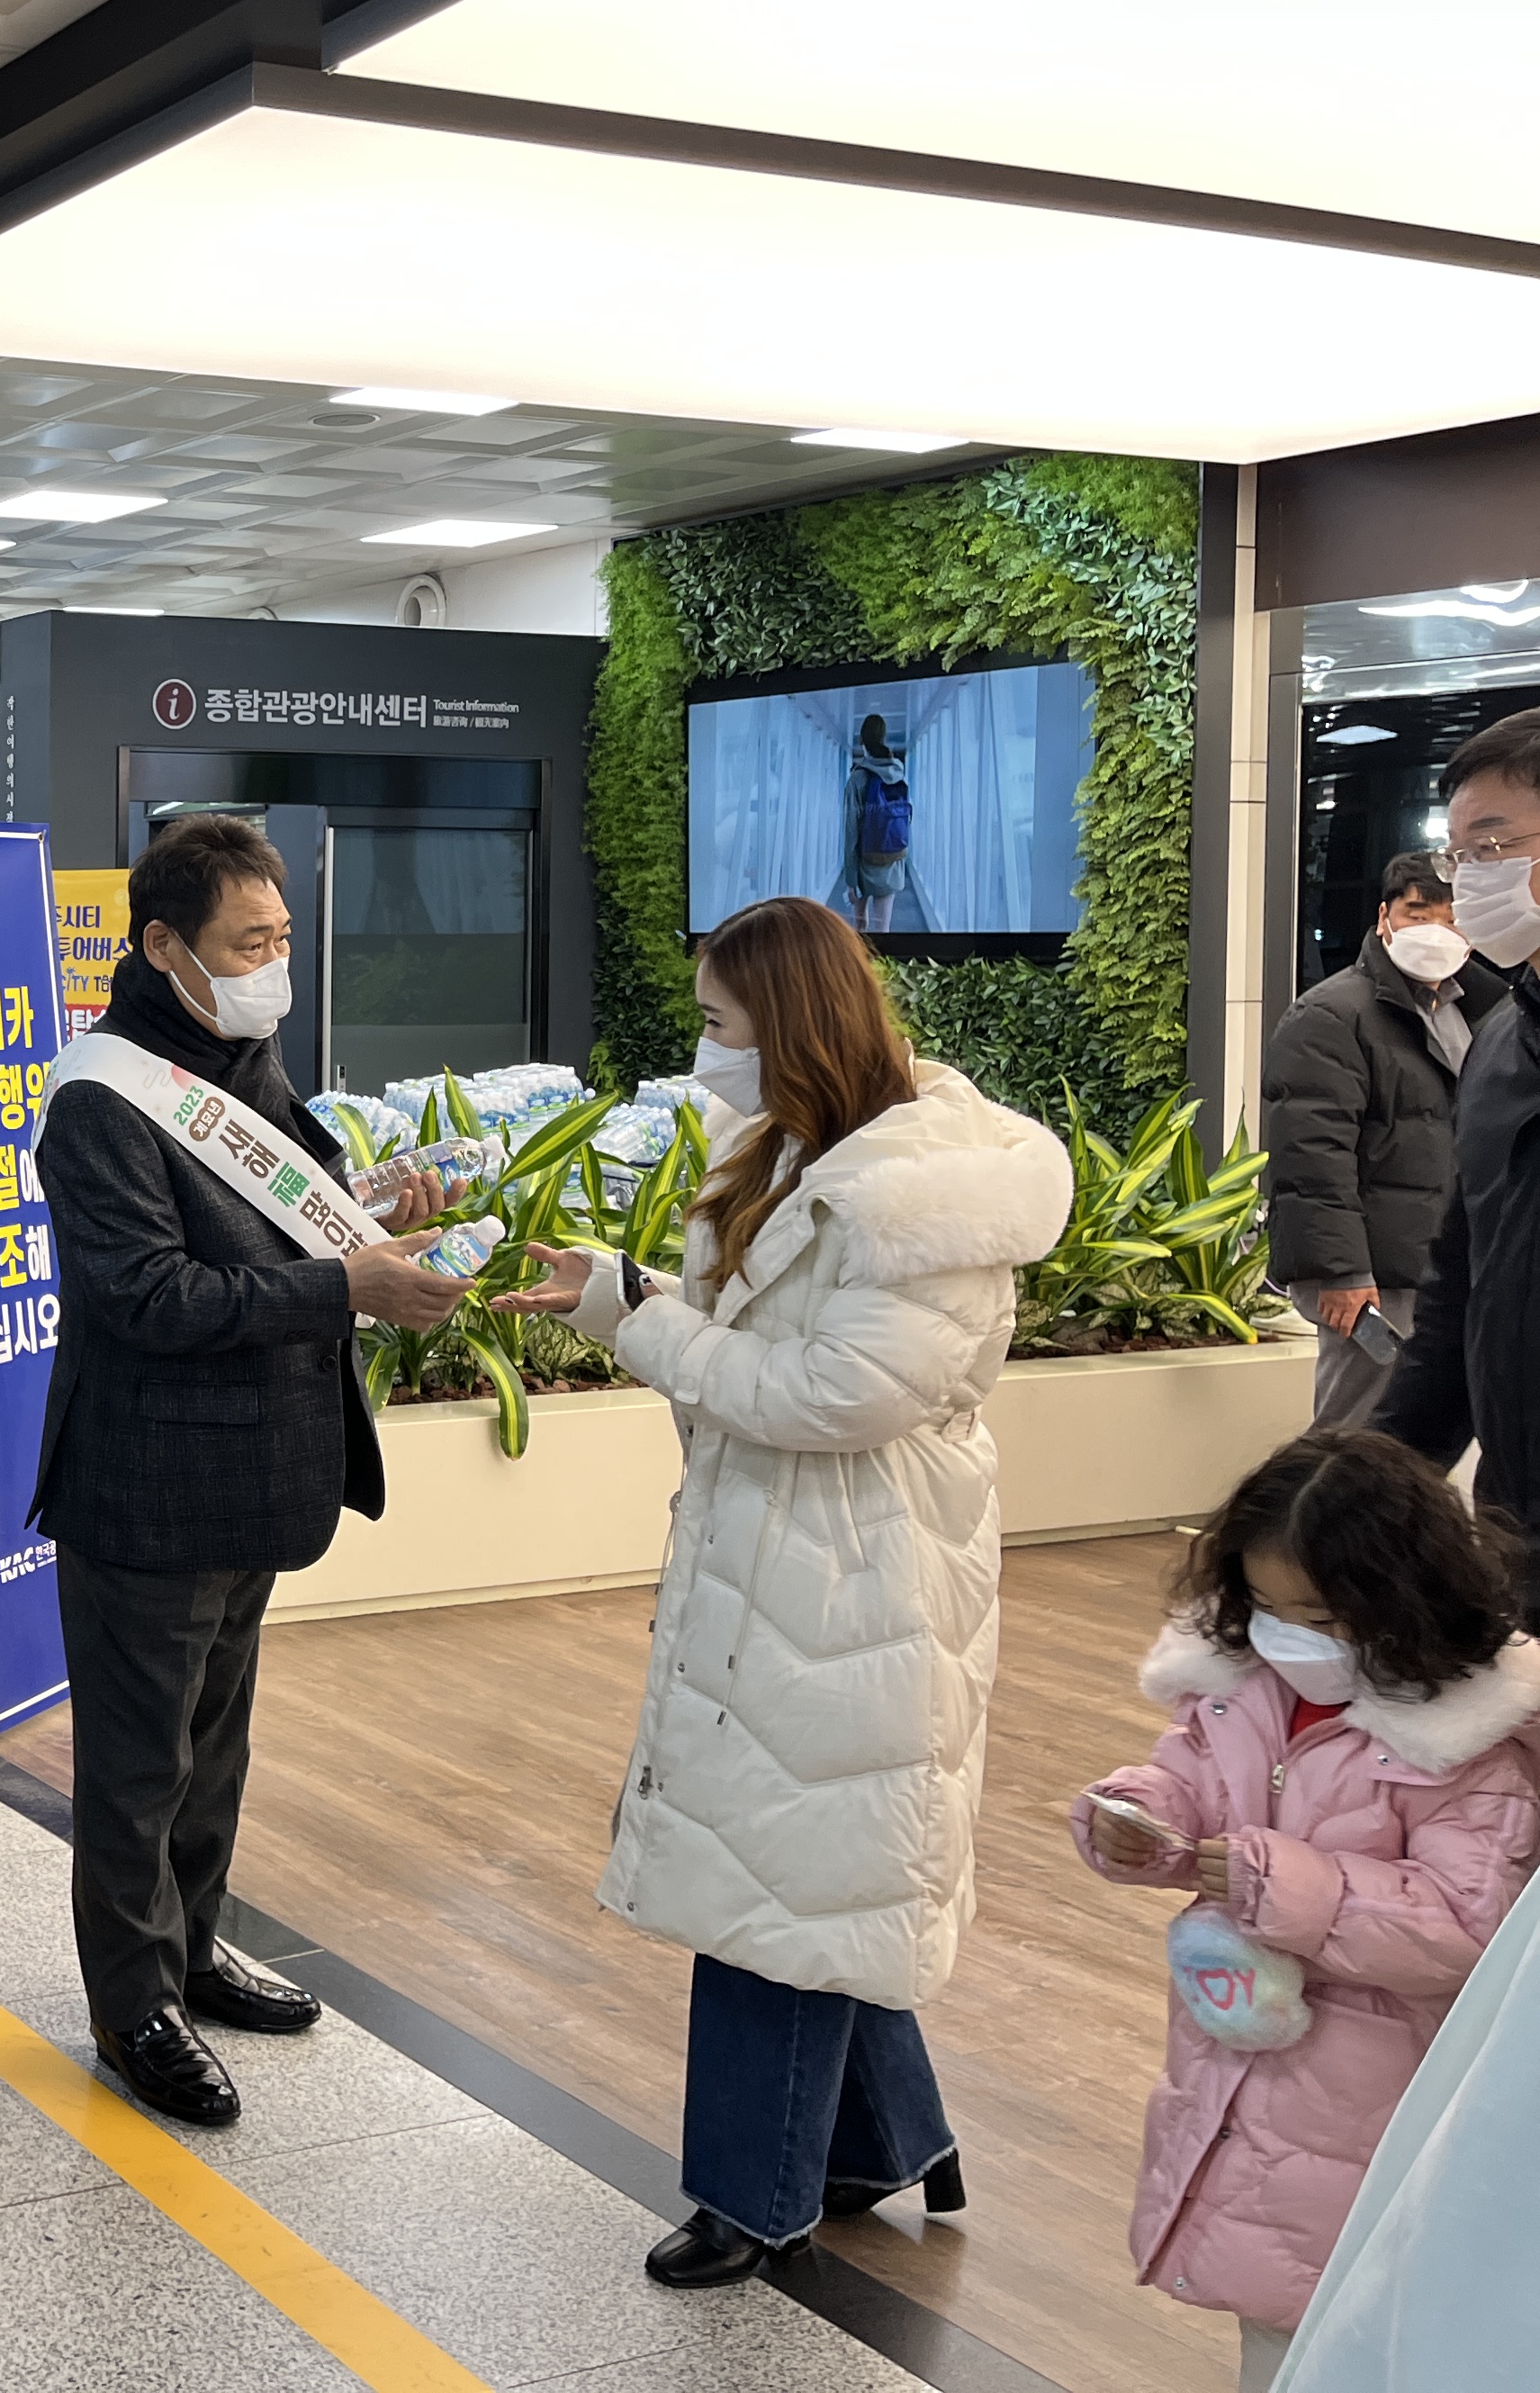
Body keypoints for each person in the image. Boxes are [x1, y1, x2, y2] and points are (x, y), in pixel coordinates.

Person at [499, 892, 1071, 2285]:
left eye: (717, 1026)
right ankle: (889, 2141)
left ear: (795, 1027)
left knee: (776, 1883)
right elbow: (757, 1337)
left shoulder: (919, 1201)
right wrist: (619, 1290)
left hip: (856, 1577)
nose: (704, 1055)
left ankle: (753, 2198)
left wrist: (636, 1326)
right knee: (814, 1865)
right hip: (780, 1559)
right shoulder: (800, 1150)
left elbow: (830, 1392)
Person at [31, 814, 462, 2127]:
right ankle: (132, 2007)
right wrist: (347, 1280)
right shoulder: (102, 1097)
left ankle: (194, 1947)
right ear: (163, 946)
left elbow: (279, 1220)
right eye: (249, 942)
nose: (275, 964)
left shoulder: (242, 1055)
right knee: (137, 1762)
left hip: (258, 1474)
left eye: (282, 938)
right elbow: (151, 1296)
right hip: (147, 1481)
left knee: (214, 1743)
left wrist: (370, 1209)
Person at [1072, 1429, 1540, 2393]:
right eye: (1270, 1609)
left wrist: (1260, 1880)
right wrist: (1138, 1814)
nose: (1290, 1638)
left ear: (1398, 1602)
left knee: (1344, 2326)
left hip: (1380, 2086)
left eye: (1318, 1617)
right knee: (1275, 2324)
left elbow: (1464, 1925)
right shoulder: (1240, 1690)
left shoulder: (1469, 1747)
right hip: (1246, 2075)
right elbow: (1187, 1776)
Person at [1378, 706, 1540, 1599]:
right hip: (1517, 1528)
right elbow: (1457, 1292)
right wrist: (1373, 1480)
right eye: (1459, 860)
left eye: (1491, 849)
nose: (1468, 883)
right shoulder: (1503, 1046)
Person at [1264, 851, 1500, 1425]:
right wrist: (1340, 1274)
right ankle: (1323, 1518)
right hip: (1379, 1277)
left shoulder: (1492, 1011)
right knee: (1358, 1435)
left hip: (1465, 1263)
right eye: (1418, 914)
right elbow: (1311, 1158)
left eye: (1450, 918)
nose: (1435, 932)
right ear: (1385, 916)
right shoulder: (1330, 1016)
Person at [843, 711, 910, 931]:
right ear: (884, 738)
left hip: (865, 864)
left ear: (862, 741)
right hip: (891, 862)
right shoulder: (899, 774)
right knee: (884, 930)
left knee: (860, 927)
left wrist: (851, 880)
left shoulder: (858, 778)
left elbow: (851, 831)